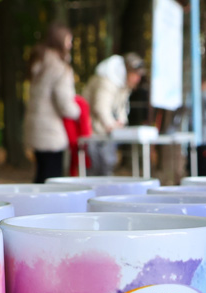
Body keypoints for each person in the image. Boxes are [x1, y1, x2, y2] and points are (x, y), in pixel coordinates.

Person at [25, 24, 80, 183]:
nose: (70, 45)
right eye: (68, 41)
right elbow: (64, 104)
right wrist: (78, 111)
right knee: (52, 180)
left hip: (35, 128)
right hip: (51, 131)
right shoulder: (59, 68)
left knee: (41, 175)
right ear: (60, 41)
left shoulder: (40, 63)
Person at [83, 52, 145, 175]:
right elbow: (101, 107)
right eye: (135, 74)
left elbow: (121, 107)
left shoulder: (124, 85)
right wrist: (111, 125)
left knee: (107, 167)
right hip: (93, 132)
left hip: (105, 134)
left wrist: (121, 122)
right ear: (127, 71)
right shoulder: (107, 81)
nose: (137, 79)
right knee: (95, 169)